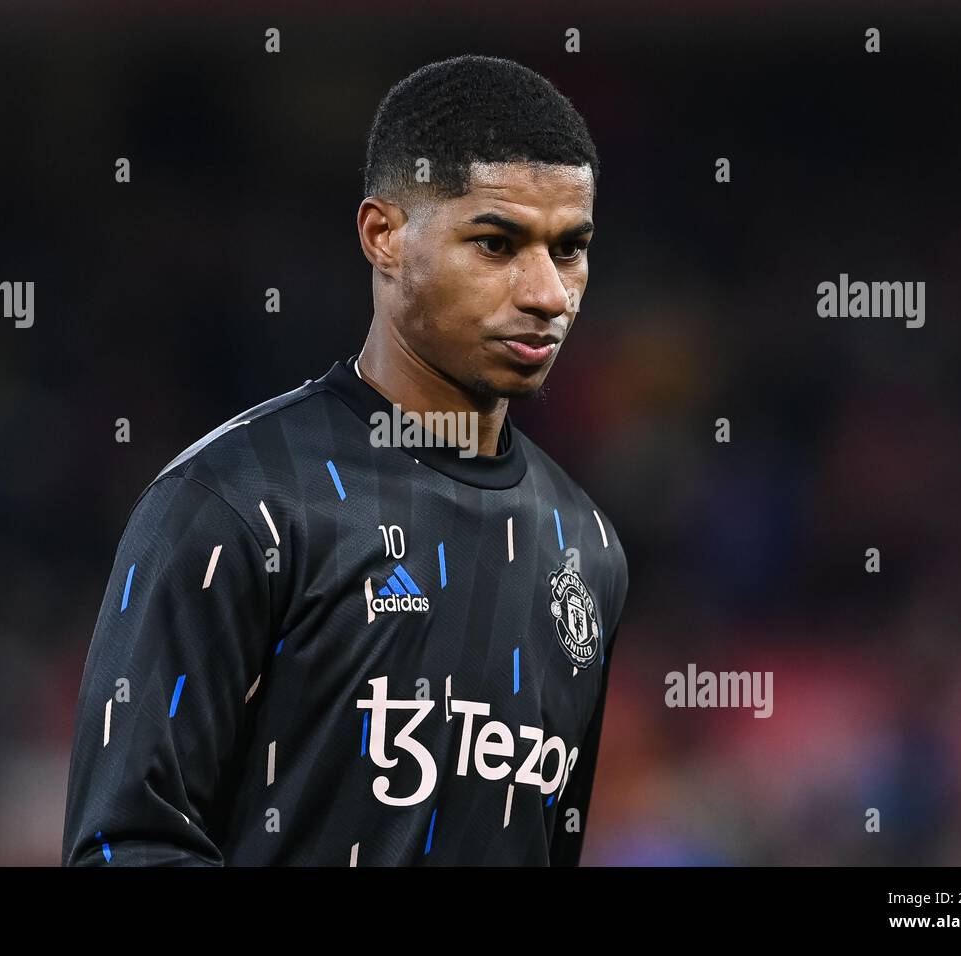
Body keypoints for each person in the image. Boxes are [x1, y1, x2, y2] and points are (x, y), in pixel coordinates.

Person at [62, 54, 628, 866]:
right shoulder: (235, 501)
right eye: (497, 243)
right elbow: (124, 848)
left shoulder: (589, 549)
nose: (547, 293)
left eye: (568, 250)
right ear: (385, 236)